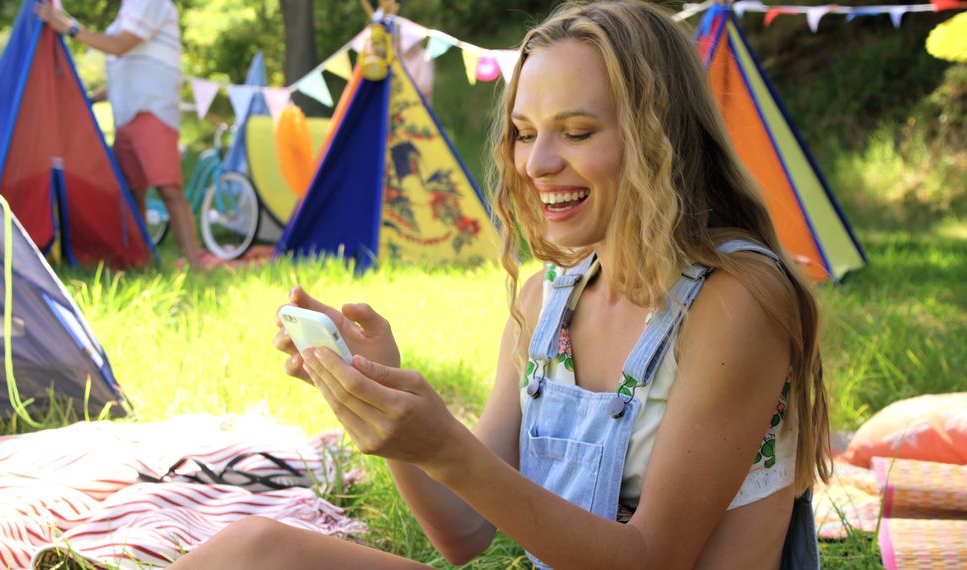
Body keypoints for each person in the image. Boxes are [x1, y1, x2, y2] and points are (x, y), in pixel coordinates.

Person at [169, 1, 830, 568]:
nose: (537, 164)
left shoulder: (736, 298)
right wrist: (386, 408)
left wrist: (448, 447)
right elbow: (462, 530)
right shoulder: (548, 299)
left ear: (661, 137)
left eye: (576, 131)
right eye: (522, 133)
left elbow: (651, 558)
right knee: (249, 550)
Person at [35, 0, 218, 270]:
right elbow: (128, 66)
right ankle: (140, 260)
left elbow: (120, 46)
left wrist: (71, 28)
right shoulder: (126, 11)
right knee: (133, 193)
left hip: (153, 109)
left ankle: (195, 264)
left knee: (168, 188)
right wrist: (93, 97)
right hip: (126, 113)